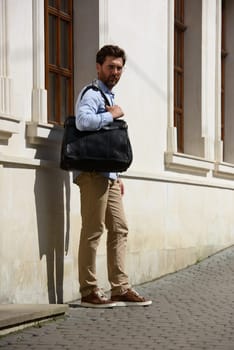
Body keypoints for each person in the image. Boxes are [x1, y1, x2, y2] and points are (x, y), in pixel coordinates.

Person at [74, 44, 152, 308]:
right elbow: (82, 122)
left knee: (120, 228)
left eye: (119, 68)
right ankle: (89, 291)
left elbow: (106, 143)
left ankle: (120, 288)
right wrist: (111, 114)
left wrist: (117, 175)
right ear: (99, 67)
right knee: (93, 231)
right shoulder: (93, 94)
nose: (115, 72)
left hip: (108, 175)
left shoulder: (108, 96)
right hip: (92, 174)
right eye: (111, 66)